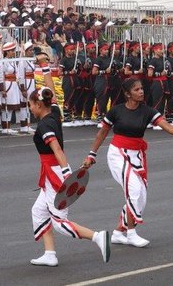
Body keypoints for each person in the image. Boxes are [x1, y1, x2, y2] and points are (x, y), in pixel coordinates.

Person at [81, 76, 173, 248]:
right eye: (137, 89)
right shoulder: (116, 111)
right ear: (128, 94)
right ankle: (131, 234)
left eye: (142, 88)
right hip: (117, 154)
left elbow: (167, 126)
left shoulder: (148, 111)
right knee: (134, 191)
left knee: (140, 198)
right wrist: (92, 155)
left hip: (137, 155)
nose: (141, 91)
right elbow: (102, 134)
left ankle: (118, 232)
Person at [27, 86, 112, 267]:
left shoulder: (44, 125)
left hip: (55, 173)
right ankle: (50, 254)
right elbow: (49, 89)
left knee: (58, 222)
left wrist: (66, 173)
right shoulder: (54, 113)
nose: (30, 109)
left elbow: (56, 148)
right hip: (55, 170)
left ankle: (97, 237)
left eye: (31, 105)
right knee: (39, 211)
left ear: (39, 104)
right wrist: (45, 68)